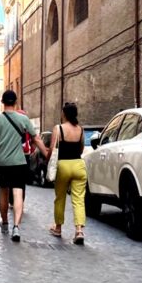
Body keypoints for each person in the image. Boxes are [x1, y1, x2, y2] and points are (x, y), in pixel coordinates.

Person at [0, 90, 48, 241]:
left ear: (2, 102)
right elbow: (36, 139)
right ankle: (16, 227)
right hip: (19, 162)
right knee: (18, 193)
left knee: (4, 193)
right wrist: (47, 153)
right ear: (16, 102)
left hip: (2, 162)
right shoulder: (23, 119)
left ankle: (5, 223)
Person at [48, 102, 87, 244]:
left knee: (60, 198)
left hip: (63, 165)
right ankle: (79, 231)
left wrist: (48, 161)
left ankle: (58, 228)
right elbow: (81, 149)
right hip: (78, 165)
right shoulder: (80, 129)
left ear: (64, 114)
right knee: (79, 199)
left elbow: (52, 149)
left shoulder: (58, 129)